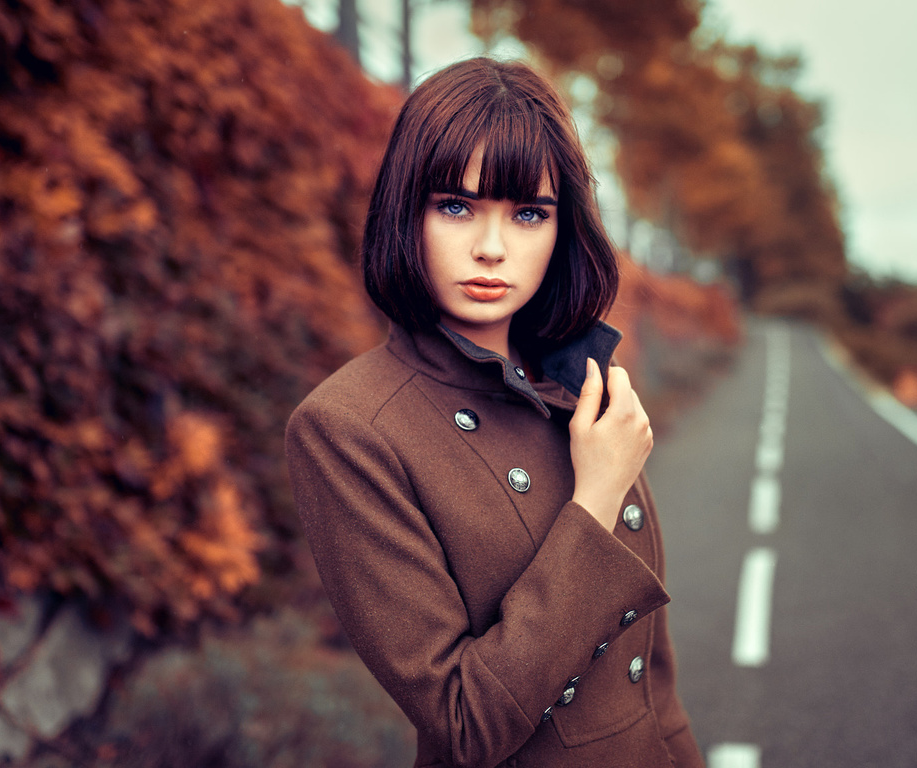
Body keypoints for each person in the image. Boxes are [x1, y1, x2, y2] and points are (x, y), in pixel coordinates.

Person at [284, 57, 703, 768]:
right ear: (406, 210)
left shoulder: (582, 391)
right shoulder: (348, 428)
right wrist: (596, 497)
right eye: (455, 206)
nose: (491, 248)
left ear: (560, 230)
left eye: (528, 214)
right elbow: (465, 724)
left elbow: (649, 689)